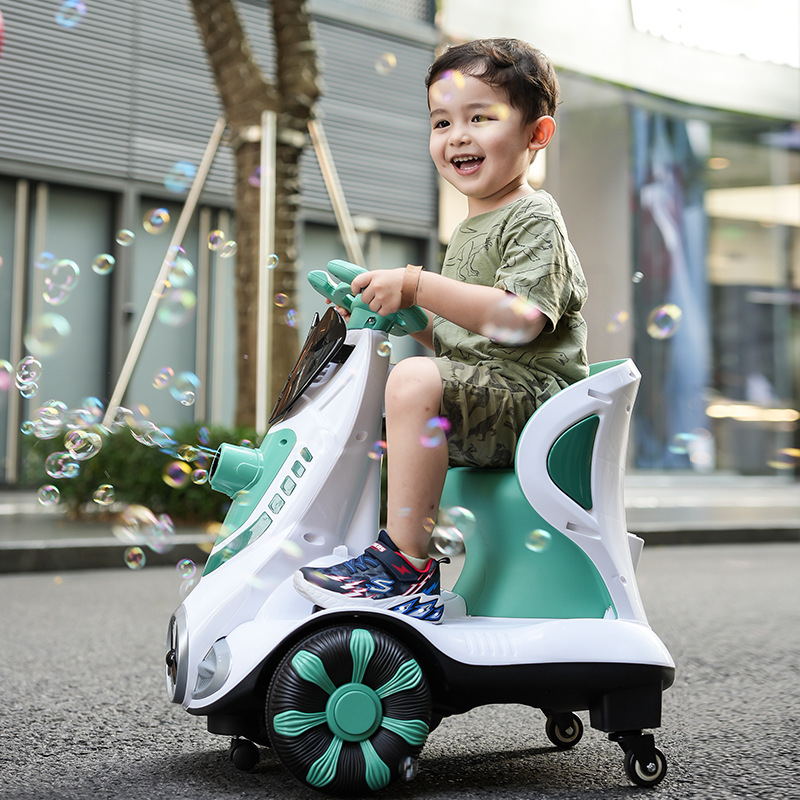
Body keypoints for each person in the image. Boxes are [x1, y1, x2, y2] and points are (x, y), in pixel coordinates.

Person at [294, 38, 588, 622]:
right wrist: (414, 320)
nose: (457, 135)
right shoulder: (471, 229)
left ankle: (405, 566)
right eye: (441, 121)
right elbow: (468, 337)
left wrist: (415, 283)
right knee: (378, 409)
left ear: (537, 135)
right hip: (497, 397)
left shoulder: (534, 216)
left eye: (481, 117)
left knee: (409, 382)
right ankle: (377, 550)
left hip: (540, 410)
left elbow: (518, 321)